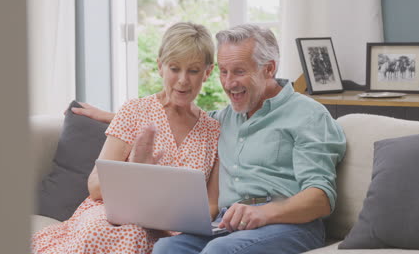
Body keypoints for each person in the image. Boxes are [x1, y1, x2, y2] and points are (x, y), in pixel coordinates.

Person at [73, 24, 346, 254]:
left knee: (218, 251)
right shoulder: (225, 118)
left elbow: (321, 198)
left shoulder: (309, 116)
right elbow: (178, 116)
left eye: (239, 71)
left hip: (287, 224)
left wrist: (266, 213)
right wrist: (118, 116)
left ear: (269, 68)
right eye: (224, 72)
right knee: (165, 249)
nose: (228, 83)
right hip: (226, 222)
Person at [31, 22, 221, 254]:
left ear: (208, 72)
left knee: (150, 240)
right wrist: (136, 172)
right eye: (174, 68)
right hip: (113, 218)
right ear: (160, 66)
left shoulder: (213, 130)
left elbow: (211, 205)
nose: (183, 80)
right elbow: (95, 187)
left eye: (193, 71)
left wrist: (176, 223)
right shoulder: (134, 111)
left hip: (173, 233)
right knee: (129, 234)